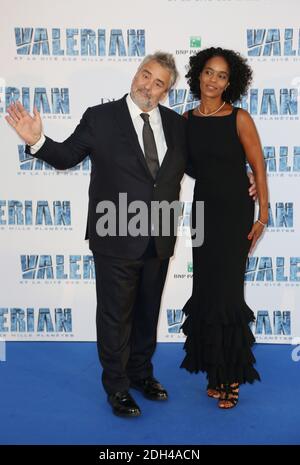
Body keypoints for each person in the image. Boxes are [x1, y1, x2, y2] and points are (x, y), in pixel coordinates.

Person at [6, 51, 256, 418]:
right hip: (114, 235)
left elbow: (203, 164)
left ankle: (141, 374)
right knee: (114, 316)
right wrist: (38, 141)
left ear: (167, 91)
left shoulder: (176, 125)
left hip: (159, 237)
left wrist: (242, 178)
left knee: (146, 314)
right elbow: (67, 155)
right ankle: (117, 386)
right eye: (146, 75)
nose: (149, 86)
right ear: (135, 74)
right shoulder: (101, 117)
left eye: (159, 83)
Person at [181, 47, 268, 409]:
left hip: (234, 213)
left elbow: (258, 167)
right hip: (202, 212)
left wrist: (262, 214)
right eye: (208, 72)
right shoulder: (185, 119)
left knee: (228, 294)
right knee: (205, 290)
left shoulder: (240, 118)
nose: (213, 80)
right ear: (198, 75)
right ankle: (214, 372)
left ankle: (231, 376)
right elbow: (185, 167)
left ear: (230, 82)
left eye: (221, 75)